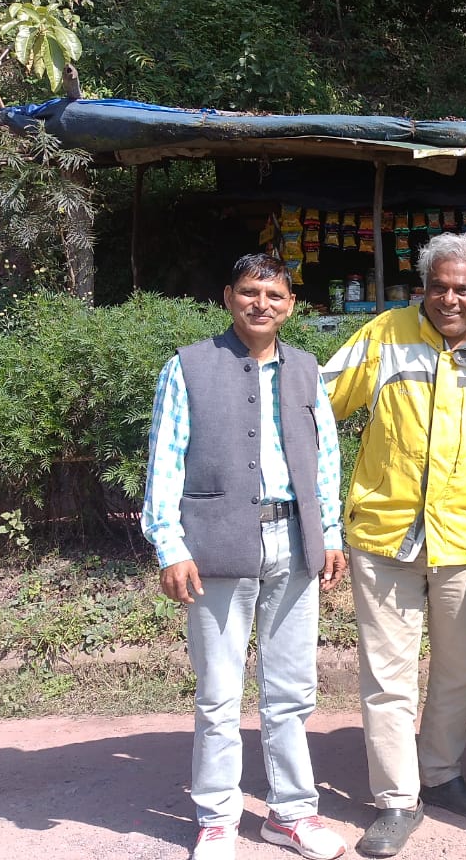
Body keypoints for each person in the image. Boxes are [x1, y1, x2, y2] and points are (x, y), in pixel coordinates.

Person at [322, 232, 466, 859]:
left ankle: (440, 773)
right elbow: (317, 403)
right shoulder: (384, 334)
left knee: (456, 670)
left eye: (463, 288)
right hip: (383, 534)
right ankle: (397, 799)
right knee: (386, 676)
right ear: (424, 285)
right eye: (439, 286)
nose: (450, 298)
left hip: (465, 537)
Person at [142, 253, 349, 860]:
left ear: (291, 306)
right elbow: (165, 457)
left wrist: (330, 531)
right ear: (228, 296)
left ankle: (289, 814)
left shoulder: (307, 370)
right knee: (218, 691)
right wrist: (170, 543)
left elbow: (327, 457)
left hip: (294, 539)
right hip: (215, 545)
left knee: (291, 690)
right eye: (251, 291)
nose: (263, 303)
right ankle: (216, 819)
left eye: (275, 295)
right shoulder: (189, 367)